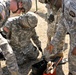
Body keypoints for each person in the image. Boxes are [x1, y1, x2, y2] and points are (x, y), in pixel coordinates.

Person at [0, 0, 32, 75]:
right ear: (20, 3)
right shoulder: (1, 7)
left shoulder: (6, 11)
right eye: (22, 10)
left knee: (9, 53)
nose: (19, 13)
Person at [46, 0, 76, 75]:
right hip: (74, 33)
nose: (50, 5)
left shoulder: (71, 5)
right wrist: (53, 43)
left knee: (74, 55)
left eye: (51, 2)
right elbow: (61, 28)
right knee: (72, 56)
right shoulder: (64, 7)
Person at [39, 0, 65, 75]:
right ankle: (49, 51)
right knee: (50, 32)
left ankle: (59, 53)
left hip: (61, 10)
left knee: (60, 32)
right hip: (51, 10)